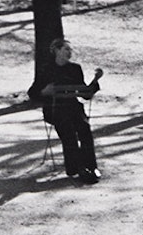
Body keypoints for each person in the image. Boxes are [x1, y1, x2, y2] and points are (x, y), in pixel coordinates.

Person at [28, 38, 103, 184]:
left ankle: (91, 167)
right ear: (56, 50)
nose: (70, 52)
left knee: (85, 130)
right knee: (68, 131)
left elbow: (85, 94)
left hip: (73, 107)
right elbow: (33, 92)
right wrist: (44, 92)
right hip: (55, 109)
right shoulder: (46, 69)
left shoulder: (75, 69)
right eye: (66, 49)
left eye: (70, 50)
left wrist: (95, 81)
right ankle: (76, 168)